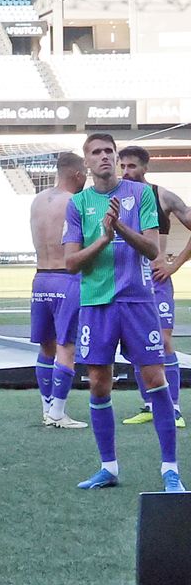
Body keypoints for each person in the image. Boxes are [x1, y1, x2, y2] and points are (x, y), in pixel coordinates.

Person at [66, 133, 181, 492]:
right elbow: (71, 263)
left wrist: (120, 228)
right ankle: (109, 467)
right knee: (99, 384)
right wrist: (102, 238)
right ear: (86, 162)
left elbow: (152, 250)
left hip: (137, 302)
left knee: (154, 379)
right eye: (95, 152)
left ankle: (170, 469)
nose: (103, 157)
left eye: (108, 151)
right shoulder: (78, 203)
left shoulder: (141, 195)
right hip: (97, 304)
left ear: (116, 158)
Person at [118, 146, 187, 429]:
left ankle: (174, 408)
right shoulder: (115, 196)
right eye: (122, 166)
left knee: (163, 341)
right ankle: (149, 404)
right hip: (125, 283)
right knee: (136, 345)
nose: (126, 172)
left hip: (156, 282)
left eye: (132, 166)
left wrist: (175, 264)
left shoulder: (163, 196)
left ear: (145, 168)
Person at [30, 152, 89, 428]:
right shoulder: (75, 202)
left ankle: (46, 407)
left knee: (46, 346)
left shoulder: (38, 200)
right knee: (67, 347)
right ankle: (58, 412)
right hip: (66, 278)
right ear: (77, 175)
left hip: (41, 278)